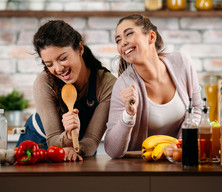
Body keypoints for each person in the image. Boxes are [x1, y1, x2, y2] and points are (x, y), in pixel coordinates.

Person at [104, 14, 202, 158]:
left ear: (151, 37)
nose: (122, 43)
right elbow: (113, 150)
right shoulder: (123, 85)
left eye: (129, 34)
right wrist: (128, 115)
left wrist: (180, 146)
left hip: (179, 160)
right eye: (118, 40)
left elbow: (197, 109)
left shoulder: (182, 62)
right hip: (140, 167)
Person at [17, 20, 116, 161]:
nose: (58, 69)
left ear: (80, 48)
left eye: (63, 58)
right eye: (49, 64)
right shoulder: (44, 82)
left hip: (80, 151)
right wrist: (69, 136)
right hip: (35, 145)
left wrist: (73, 148)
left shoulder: (107, 85)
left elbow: (91, 141)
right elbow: (53, 139)